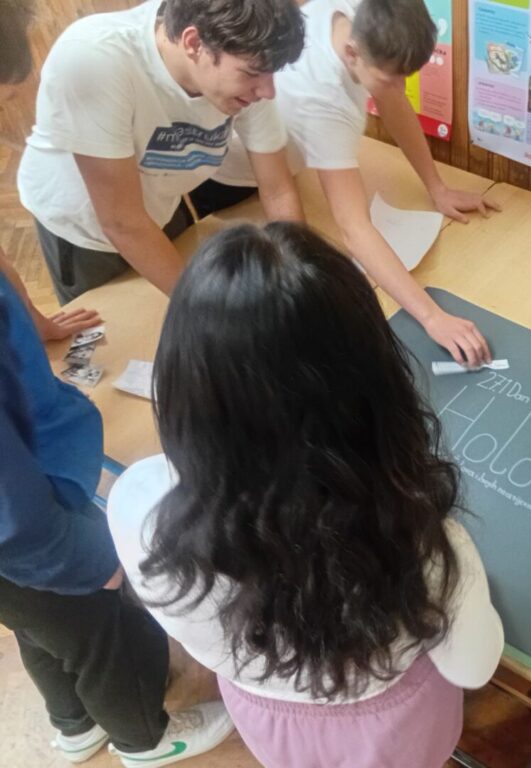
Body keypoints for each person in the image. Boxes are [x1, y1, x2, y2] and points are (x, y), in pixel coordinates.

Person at [107, 222, 505, 768]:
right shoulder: (424, 546)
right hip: (393, 734)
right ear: (376, 389)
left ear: (182, 383)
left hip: (270, 722)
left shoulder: (136, 507)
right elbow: (474, 667)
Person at [0, 3, 234, 764]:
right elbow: (13, 517)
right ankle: (143, 738)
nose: (12, 120)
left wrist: (34, 321)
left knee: (43, 630)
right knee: (104, 631)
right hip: (32, 535)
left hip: (37, 490)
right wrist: (86, 560)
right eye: (7, 98)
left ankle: (74, 725)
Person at [212, 0, 498, 367]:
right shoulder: (324, 100)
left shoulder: (364, 16)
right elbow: (353, 228)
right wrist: (432, 317)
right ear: (352, 53)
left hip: (284, 159)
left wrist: (437, 187)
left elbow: (392, 99)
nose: (400, 86)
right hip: (233, 181)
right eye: (390, 77)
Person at [17, 0, 307, 304]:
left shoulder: (244, 61)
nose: (268, 92)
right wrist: (206, 310)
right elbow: (120, 221)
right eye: (251, 73)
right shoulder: (95, 59)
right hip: (86, 230)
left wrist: (297, 275)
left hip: (159, 201)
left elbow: (277, 188)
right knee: (128, 320)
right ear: (193, 43)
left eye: (272, 73)